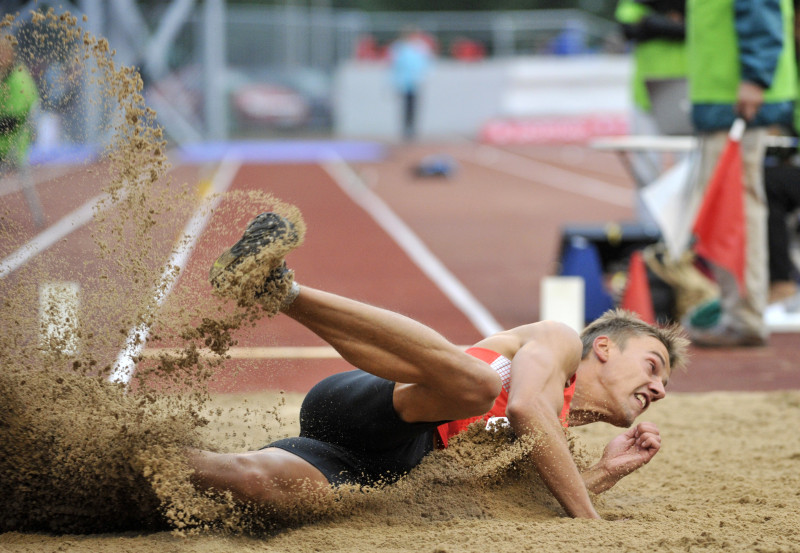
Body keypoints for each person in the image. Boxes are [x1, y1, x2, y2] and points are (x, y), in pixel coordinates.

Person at [190, 212, 689, 520]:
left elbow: (521, 499)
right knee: (476, 383)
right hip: (378, 407)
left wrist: (604, 472)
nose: (659, 388)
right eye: (653, 366)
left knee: (252, 481)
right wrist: (588, 518)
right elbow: (524, 408)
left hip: (383, 469)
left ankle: (129, 473)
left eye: (663, 383)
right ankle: (278, 289)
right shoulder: (557, 343)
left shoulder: (557, 443)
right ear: (603, 347)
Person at [683, 0, 797, 347]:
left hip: (735, 99)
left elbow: (760, 7)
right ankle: (742, 312)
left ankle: (743, 316)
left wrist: (755, 76)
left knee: (736, 209)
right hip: (727, 97)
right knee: (735, 207)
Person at [615, 0, 687, 186]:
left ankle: (689, 216)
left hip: (684, 96)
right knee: (646, 171)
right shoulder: (632, 4)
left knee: (688, 169)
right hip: (645, 96)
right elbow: (627, 29)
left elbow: (696, 31)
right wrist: (676, 24)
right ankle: (646, 216)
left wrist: (650, 23)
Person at [0, 34, 38, 171]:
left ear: (9, 54)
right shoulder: (5, 77)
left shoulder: (18, 80)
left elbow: (12, 121)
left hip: (10, 146)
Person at [388, 27, 433, 141]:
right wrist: (395, 81)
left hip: (415, 82)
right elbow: (394, 65)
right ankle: (405, 129)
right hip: (403, 82)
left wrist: (422, 78)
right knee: (405, 107)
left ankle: (412, 129)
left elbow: (425, 63)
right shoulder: (399, 47)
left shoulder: (421, 47)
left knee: (413, 107)